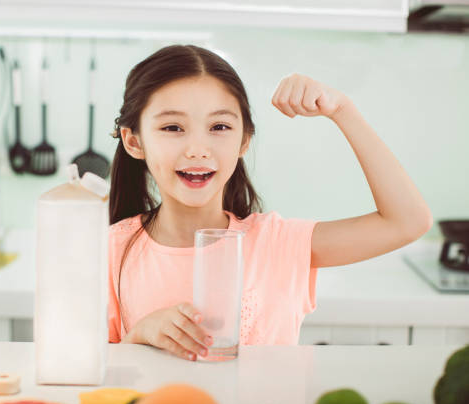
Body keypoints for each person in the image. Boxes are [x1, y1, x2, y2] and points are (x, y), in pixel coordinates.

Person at [107, 44, 432, 361]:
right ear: (134, 141)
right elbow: (86, 380)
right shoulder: (109, 252)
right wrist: (138, 338)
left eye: (219, 127)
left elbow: (407, 221)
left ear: (244, 141)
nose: (197, 148)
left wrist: (342, 110)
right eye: (172, 127)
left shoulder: (277, 244)